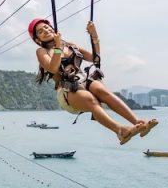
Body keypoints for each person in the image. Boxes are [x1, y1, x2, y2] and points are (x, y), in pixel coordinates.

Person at [29, 19, 157, 145]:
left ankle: (138, 121)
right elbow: (53, 68)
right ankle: (120, 130)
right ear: (37, 40)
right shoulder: (42, 51)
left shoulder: (70, 45)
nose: (45, 30)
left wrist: (94, 35)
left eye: (46, 27)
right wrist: (57, 47)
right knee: (91, 100)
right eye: (40, 31)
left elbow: (94, 58)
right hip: (66, 89)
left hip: (83, 81)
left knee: (101, 91)